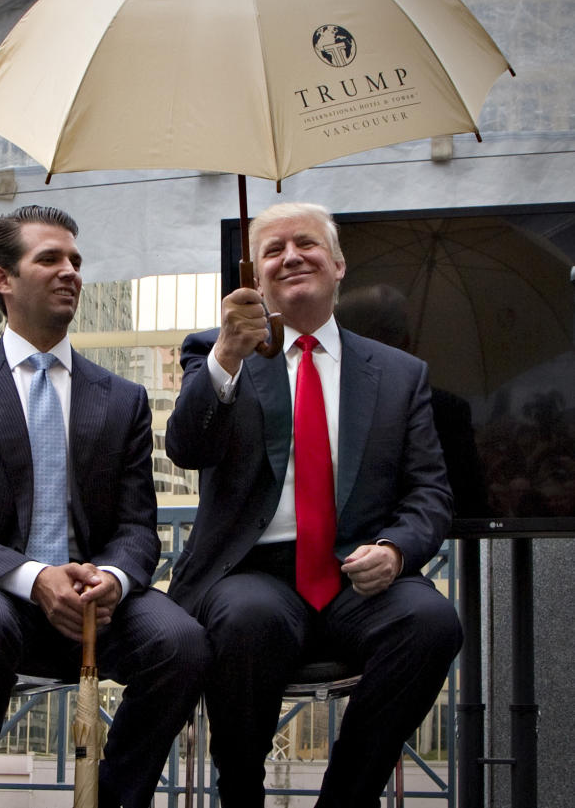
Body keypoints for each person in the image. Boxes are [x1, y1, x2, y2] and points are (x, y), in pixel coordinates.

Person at [0, 205, 209, 808]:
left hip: (90, 598)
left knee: (183, 642)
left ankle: (117, 797)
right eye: (50, 259)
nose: (70, 271)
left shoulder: (121, 398)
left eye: (75, 260)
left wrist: (114, 579)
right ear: (3, 280)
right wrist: (35, 577)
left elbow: (136, 528)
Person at [165, 202, 463, 808]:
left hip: (360, 576)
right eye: (273, 250)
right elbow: (187, 448)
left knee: (433, 623)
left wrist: (396, 549)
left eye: (306, 244)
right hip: (254, 573)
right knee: (246, 620)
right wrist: (227, 356)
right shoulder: (216, 351)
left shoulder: (400, 374)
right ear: (255, 274)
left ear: (338, 264)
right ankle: (241, 796)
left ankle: (346, 798)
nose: (291, 256)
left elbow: (430, 492)